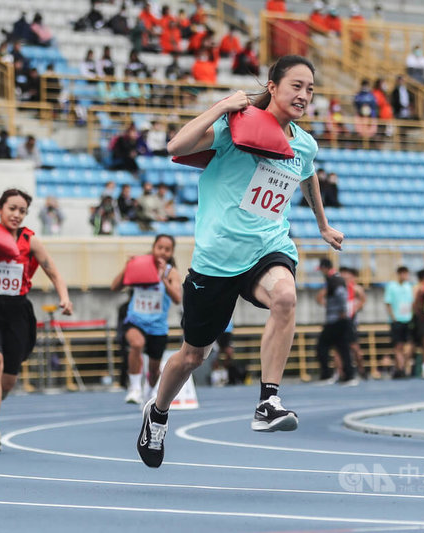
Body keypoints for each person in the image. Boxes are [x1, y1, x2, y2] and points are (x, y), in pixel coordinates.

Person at [136, 55, 344, 468]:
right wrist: (220, 106)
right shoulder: (235, 127)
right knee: (193, 356)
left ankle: (268, 401)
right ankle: (157, 411)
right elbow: (175, 146)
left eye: (311, 89)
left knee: (286, 296)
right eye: (296, 86)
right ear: (272, 85)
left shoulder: (304, 143)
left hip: (267, 246)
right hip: (216, 258)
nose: (304, 95)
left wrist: (322, 224)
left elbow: (307, 174)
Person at [0, 188, 73, 452]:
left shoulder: (30, 241)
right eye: (11, 208)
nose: (16, 214)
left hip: (17, 311)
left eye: (22, 210)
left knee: (9, 379)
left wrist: (65, 298)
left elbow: (55, 274)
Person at [110, 235, 182, 404]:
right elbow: (115, 287)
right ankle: (134, 388)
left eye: (167, 249)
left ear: (171, 252)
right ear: (153, 247)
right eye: (160, 247)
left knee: (154, 370)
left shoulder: (172, 273)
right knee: (136, 344)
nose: (163, 252)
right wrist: (127, 268)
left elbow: (178, 298)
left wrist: (163, 279)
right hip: (136, 320)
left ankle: (149, 392)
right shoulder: (140, 265)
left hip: (157, 326)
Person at [316, 259, 356, 385]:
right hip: (338, 319)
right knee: (343, 347)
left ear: (325, 268)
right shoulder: (334, 278)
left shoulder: (334, 279)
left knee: (322, 346)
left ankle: (326, 374)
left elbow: (341, 294)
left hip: (335, 320)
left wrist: (342, 310)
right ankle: (349, 375)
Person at [384, 265, 413, 379]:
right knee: (398, 346)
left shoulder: (408, 287)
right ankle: (400, 369)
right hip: (397, 320)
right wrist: (393, 317)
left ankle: (401, 367)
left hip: (407, 319)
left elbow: (411, 303)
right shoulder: (392, 286)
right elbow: (388, 303)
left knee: (408, 346)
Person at [341, 267, 367, 379]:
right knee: (339, 348)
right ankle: (341, 372)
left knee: (354, 347)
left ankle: (361, 369)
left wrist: (355, 307)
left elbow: (363, 299)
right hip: (340, 319)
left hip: (351, 320)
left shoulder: (356, 288)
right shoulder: (339, 288)